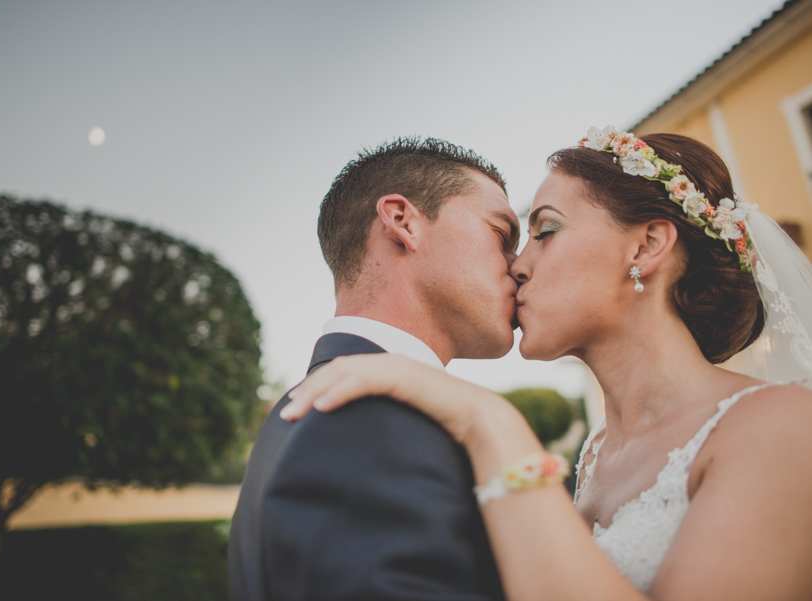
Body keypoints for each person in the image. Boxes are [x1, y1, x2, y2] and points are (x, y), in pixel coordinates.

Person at [282, 129, 812, 600]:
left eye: (546, 229)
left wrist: (489, 422)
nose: (516, 266)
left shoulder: (780, 423)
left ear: (647, 246)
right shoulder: (595, 457)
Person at [228, 137, 521, 600]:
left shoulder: (303, 416)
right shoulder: (367, 423)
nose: (518, 266)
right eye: (502, 235)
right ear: (403, 221)